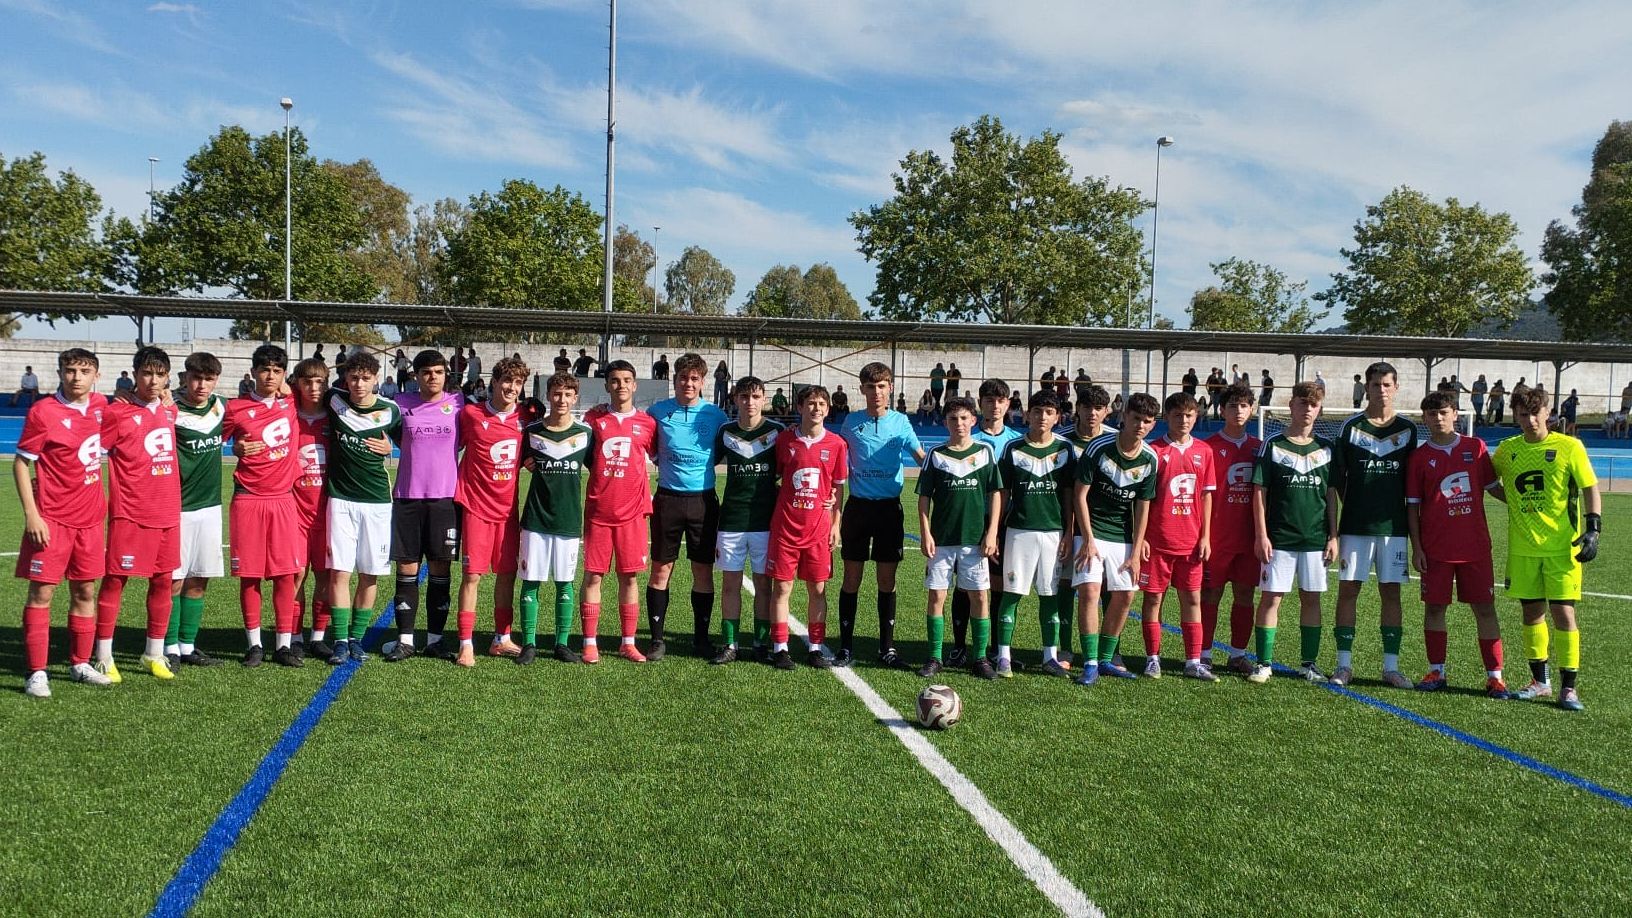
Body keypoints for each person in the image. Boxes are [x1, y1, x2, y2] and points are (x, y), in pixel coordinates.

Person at [1490, 387, 1599, 712]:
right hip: (1523, 549)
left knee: (1564, 613)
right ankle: (1540, 682)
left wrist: (1593, 527)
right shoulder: (1507, 450)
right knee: (1531, 613)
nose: (1530, 420)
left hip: (1562, 549)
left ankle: (1568, 688)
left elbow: (1590, 487)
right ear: (1515, 415)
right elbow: (1489, 481)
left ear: (1548, 412)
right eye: (1523, 415)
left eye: (1535, 413)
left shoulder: (1569, 447)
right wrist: (1515, 502)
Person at [14, 351, 110, 697]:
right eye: (70, 370)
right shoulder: (43, 412)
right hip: (51, 520)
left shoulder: (102, 406)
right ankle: (36, 672)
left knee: (85, 592)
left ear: (96, 375)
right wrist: (32, 514)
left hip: (90, 520)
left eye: (84, 371)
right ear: (60, 373)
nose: (76, 377)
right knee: (42, 593)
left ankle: (80, 663)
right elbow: (21, 464)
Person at [1406, 391, 1511, 699]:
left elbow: (1494, 488)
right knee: (1435, 608)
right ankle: (1436, 670)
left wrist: (1525, 504)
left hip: (1474, 546)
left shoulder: (1475, 448)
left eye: (1444, 412)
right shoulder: (1418, 458)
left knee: (1485, 609)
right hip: (1436, 549)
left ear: (1455, 414)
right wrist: (1417, 547)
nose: (1438, 418)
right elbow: (1413, 506)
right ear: (1424, 419)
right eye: (1432, 414)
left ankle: (1495, 677)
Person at [95, 348, 181, 683]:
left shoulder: (170, 410)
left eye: (160, 374)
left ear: (168, 377)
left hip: (167, 511)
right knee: (116, 580)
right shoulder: (116, 412)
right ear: (134, 375)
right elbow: (91, 451)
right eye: (146, 373)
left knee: (163, 582)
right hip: (130, 512)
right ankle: (103, 656)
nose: (153, 381)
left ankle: (154, 653)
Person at [1330, 361, 1417, 688]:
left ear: (1396, 387)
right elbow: (1338, 479)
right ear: (1366, 388)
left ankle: (1391, 668)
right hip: (1355, 525)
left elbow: (1412, 482)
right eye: (1375, 384)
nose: (1381, 390)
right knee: (1348, 591)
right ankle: (1343, 665)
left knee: (1391, 593)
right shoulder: (1350, 427)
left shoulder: (1407, 429)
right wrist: (1355, 505)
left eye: (1386, 384)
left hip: (1393, 529)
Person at [1246, 381, 1338, 685]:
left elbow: (1331, 495)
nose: (1308, 409)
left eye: (1313, 404)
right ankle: (1264, 663)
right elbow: (1259, 492)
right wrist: (1261, 535)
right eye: (1302, 403)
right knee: (1271, 598)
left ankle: (1308, 664)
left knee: (1311, 599)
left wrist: (1333, 535)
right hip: (1279, 538)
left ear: (1319, 409)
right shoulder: (1273, 444)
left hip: (1315, 539)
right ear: (1291, 406)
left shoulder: (1327, 448)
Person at [839, 362, 927, 668]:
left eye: (881, 386)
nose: (876, 392)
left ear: (890, 387)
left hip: (889, 510)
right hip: (858, 508)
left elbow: (921, 458)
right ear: (861, 389)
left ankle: (886, 648)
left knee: (886, 581)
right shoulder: (851, 422)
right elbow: (836, 459)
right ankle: (845, 647)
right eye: (870, 386)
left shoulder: (901, 422)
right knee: (852, 578)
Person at [646, 353, 730, 661]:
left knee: (702, 570)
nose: (688, 383)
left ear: (703, 382)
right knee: (661, 568)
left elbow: (723, 451)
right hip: (667, 500)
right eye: (683, 377)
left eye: (694, 378)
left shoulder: (715, 415)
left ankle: (701, 639)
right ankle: (657, 640)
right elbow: (647, 444)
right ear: (675, 379)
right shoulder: (657, 411)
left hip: (703, 502)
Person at [321, 351, 402, 665]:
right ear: (345, 378)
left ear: (376, 379)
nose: (359, 384)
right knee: (339, 572)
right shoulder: (334, 400)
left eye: (365, 378)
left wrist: (390, 447)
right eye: (353, 377)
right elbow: (298, 387)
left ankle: (356, 638)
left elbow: (411, 444)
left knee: (370, 574)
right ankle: (340, 640)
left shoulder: (390, 410)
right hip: (340, 499)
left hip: (377, 502)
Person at [224, 345, 302, 668]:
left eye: (277, 370)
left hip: (283, 499)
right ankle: (254, 645)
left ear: (284, 374)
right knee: (250, 576)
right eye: (265, 369)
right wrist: (235, 447)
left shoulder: (293, 403)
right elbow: (214, 439)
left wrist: (289, 389)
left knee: (285, 575)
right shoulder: (235, 408)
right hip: (248, 499)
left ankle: (283, 645)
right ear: (254, 371)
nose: (270, 376)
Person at [381, 350, 462, 663]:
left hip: (444, 500)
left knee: (441, 567)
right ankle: (405, 640)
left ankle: (435, 640)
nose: (433, 377)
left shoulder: (459, 404)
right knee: (407, 568)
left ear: (446, 375)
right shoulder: (400, 404)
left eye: (439, 372)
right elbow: (372, 419)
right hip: (407, 497)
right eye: (426, 372)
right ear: (416, 375)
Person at [1072, 393, 1159, 682]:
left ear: (1153, 424)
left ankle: (1106, 659)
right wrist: (1087, 538)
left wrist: (1136, 549)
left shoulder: (1150, 458)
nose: (1140, 425)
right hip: (1092, 531)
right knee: (1090, 591)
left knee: (1125, 595)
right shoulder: (1099, 447)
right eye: (1136, 418)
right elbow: (1079, 495)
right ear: (1124, 416)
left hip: (1122, 536)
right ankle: (1090, 663)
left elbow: (1143, 506)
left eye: (1147, 421)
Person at [916, 397, 1002, 679]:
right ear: (945, 423)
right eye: (953, 419)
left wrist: (991, 532)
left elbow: (995, 493)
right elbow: (924, 498)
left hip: (975, 540)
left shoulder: (985, 452)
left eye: (964, 418)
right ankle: (934, 657)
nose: (959, 424)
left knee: (979, 596)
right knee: (937, 595)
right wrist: (926, 532)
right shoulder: (935, 454)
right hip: (941, 540)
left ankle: (980, 658)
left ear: (974, 420)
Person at [452, 357, 529, 667]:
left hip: (508, 511)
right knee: (472, 576)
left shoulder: (526, 418)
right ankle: (465, 643)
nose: (511, 388)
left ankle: (502, 638)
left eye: (518, 383)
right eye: (506, 381)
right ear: (494, 382)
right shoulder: (471, 414)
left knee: (507, 575)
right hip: (476, 508)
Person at [992, 390, 1075, 677]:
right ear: (1027, 414)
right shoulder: (1013, 448)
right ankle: (1003, 656)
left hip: (1053, 533)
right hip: (1019, 531)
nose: (1042, 417)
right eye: (1037, 411)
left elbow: (1069, 494)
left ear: (1058, 417)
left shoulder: (1065, 449)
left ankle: (1050, 657)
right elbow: (1002, 493)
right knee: (1012, 594)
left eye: (1049, 412)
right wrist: (995, 532)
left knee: (1050, 595)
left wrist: (1069, 532)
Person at [580, 360, 657, 663]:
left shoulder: (647, 423)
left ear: (634, 385)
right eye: (615, 380)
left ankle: (628, 642)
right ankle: (589, 642)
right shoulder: (593, 419)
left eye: (626, 380)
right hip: (599, 511)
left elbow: (655, 457)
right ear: (607, 385)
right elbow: (584, 456)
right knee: (593, 577)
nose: (621, 385)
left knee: (630, 578)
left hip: (632, 513)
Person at [767, 385, 849, 669]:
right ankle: (780, 647)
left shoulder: (836, 444)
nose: (816, 408)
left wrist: (836, 524)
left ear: (828, 409)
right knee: (782, 588)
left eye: (822, 404)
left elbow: (838, 487)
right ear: (800, 407)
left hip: (818, 530)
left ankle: (815, 648)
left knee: (818, 589)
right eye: (811, 403)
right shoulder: (785, 440)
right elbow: (776, 476)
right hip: (786, 528)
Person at [1137, 392, 1217, 680]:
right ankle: (1153, 658)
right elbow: (1142, 499)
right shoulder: (1153, 451)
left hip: (1190, 542)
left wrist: (1205, 537)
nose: (1184, 420)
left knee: (1192, 599)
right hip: (1158, 541)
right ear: (1166, 417)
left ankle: (1193, 661)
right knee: (1153, 600)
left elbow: (1206, 497)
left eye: (1189, 415)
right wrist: (1143, 537)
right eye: (1177, 415)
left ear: (1196, 417)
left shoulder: (1204, 451)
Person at [514, 372, 592, 664]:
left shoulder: (585, 433)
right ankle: (529, 643)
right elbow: (517, 461)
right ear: (548, 396)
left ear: (575, 398)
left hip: (568, 520)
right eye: (556, 394)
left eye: (568, 394)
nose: (562, 399)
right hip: (535, 518)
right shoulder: (532, 431)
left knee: (564, 583)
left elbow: (598, 468)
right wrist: (526, 461)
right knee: (530, 581)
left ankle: (562, 643)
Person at [950, 379, 1023, 666]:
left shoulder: (1016, 442)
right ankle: (959, 647)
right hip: (970, 521)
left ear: (1008, 404)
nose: (995, 406)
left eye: (1000, 400)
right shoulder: (970, 437)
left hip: (1005, 524)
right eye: (989, 400)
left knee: (999, 586)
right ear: (980, 404)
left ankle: (996, 648)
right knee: (964, 586)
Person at [709, 376, 781, 664]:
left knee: (764, 585)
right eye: (744, 396)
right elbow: (706, 462)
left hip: (766, 521)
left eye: (755, 396)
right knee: (730, 584)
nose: (749, 402)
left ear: (764, 398)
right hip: (732, 520)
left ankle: (761, 644)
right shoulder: (725, 432)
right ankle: (730, 643)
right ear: (735, 399)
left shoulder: (777, 431)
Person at [166, 352, 228, 669]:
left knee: (200, 578)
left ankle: (187, 645)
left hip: (210, 507)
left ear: (216, 380)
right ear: (185, 377)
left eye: (208, 379)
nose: (201, 385)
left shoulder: (221, 407)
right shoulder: (169, 408)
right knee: (173, 581)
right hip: (177, 508)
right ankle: (168, 647)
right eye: (196, 378)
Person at [1201, 383, 1262, 676]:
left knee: (1245, 594)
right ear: (1222, 410)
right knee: (1210, 594)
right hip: (1216, 537)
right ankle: (1204, 653)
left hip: (1249, 539)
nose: (1238, 411)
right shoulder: (1208, 447)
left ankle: (1238, 655)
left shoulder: (1260, 448)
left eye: (1244, 406)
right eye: (1232, 406)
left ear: (1252, 410)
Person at [1059, 383, 1114, 673]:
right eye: (1087, 407)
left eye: (1098, 408)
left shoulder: (1116, 440)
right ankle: (1065, 647)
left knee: (1107, 587)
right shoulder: (1061, 440)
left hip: (1106, 527)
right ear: (1077, 408)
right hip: (1068, 525)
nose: (1092, 413)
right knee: (1065, 584)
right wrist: (1066, 531)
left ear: (1107, 411)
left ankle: (1110, 652)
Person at [288, 357, 333, 664]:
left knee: (326, 576)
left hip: (329, 511)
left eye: (319, 382)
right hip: (294, 511)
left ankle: (318, 636)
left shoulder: (336, 416)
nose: (314, 388)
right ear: (297, 384)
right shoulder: (287, 415)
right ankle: (293, 637)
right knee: (296, 575)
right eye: (307, 382)